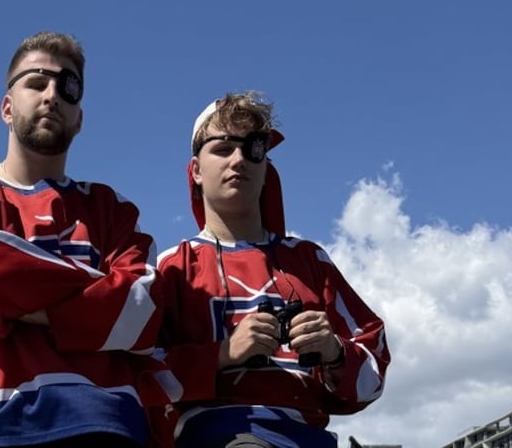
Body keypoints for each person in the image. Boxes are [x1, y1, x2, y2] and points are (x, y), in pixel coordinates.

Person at [0, 32, 173, 448]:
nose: (51, 95)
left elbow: (142, 310)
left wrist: (15, 304)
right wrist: (97, 293)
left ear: (79, 118)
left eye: (67, 87)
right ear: (7, 107)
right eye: (36, 82)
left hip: (109, 420)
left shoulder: (111, 208)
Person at [154, 92, 390, 448]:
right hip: (216, 434)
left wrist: (334, 351)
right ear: (196, 170)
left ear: (266, 169)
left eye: (253, 149)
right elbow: (140, 373)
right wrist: (223, 353)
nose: (239, 160)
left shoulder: (310, 261)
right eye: (222, 148)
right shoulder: (173, 268)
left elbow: (373, 369)